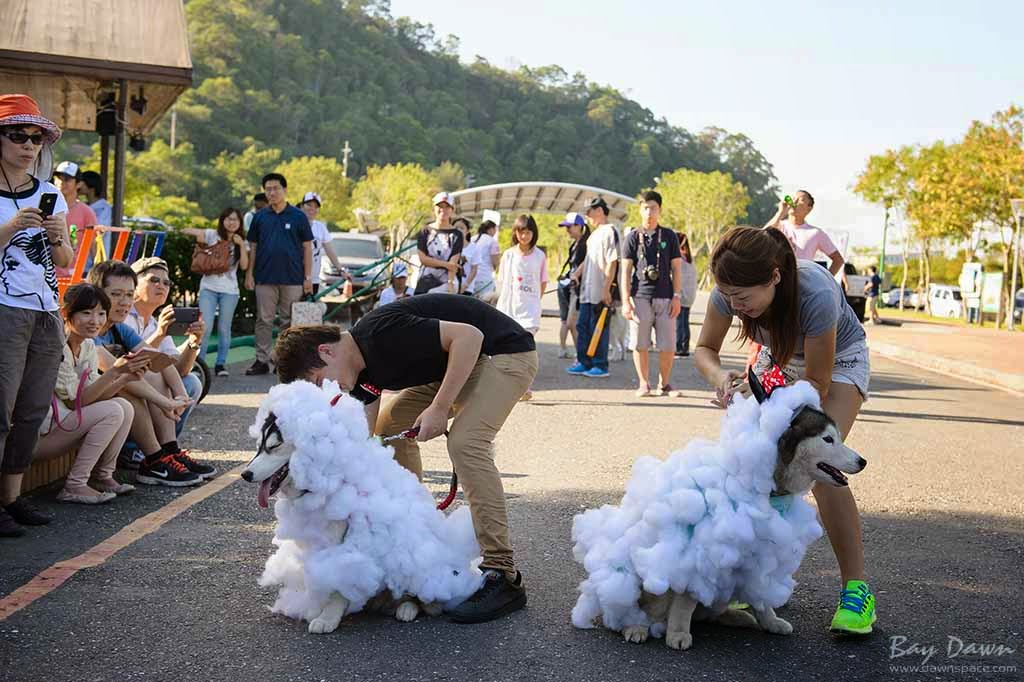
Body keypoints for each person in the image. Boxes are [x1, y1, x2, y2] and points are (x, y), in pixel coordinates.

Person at [273, 294, 538, 624]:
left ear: (327, 352)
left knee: (466, 443)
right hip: (469, 362)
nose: (326, 390)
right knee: (389, 428)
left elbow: (470, 337)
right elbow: (366, 441)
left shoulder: (381, 333)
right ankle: (413, 531)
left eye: (317, 381)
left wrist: (440, 408)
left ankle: (502, 573)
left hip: (504, 353)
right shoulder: (358, 372)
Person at [694, 226, 876, 635]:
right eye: (730, 298)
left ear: (774, 277)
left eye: (744, 297)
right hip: (776, 361)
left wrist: (771, 398)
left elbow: (816, 382)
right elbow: (704, 349)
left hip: (834, 366)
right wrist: (723, 378)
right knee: (758, 468)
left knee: (819, 464)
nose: (736, 306)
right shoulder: (730, 291)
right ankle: (754, 584)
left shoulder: (815, 292)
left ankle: (857, 592)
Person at [0, 94, 75, 537]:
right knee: (0, 408)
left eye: (35, 138)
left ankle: (11, 499)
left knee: (31, 410)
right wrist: (11, 228)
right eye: (17, 135)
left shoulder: (50, 193)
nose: (28, 145)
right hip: (5, 308)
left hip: (46, 309)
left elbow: (64, 258)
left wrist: (56, 235)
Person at [87, 260, 202, 487]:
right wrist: (165, 402)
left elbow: (156, 358)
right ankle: (154, 459)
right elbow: (118, 372)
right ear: (98, 295)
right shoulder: (89, 327)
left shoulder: (118, 327)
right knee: (132, 385)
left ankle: (169, 451)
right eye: (116, 294)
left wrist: (180, 397)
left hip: (107, 391)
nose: (124, 302)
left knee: (154, 371)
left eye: (129, 295)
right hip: (82, 398)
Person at [35, 284, 140, 504]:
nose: (95, 320)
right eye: (86, 313)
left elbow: (95, 396)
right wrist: (114, 372)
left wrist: (125, 377)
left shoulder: (88, 346)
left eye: (101, 313)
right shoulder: (56, 346)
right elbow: (75, 402)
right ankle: (74, 485)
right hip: (41, 437)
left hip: (66, 426)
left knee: (124, 406)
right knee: (113, 410)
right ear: (66, 314)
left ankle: (102, 476)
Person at [125, 257, 208, 441]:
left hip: (149, 390)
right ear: (134, 284)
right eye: (153, 280)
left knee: (191, 382)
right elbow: (128, 363)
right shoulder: (123, 316)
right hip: (126, 388)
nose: (161, 286)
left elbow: (179, 370)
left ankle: (166, 447)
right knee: (158, 378)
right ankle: (136, 450)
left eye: (166, 282)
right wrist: (160, 334)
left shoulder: (156, 322)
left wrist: (194, 342)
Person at [244, 173, 314, 376]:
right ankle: (261, 360)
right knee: (263, 320)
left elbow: (308, 248)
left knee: (287, 321)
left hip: (293, 278)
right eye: (268, 189)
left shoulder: (298, 216)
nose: (272, 192)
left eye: (276, 188)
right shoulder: (260, 217)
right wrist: (250, 274)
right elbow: (253, 248)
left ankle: (282, 360)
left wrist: (307, 278)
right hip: (264, 277)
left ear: (284, 190)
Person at [620, 191, 683, 397]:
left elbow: (677, 268)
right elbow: (626, 271)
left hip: (665, 296)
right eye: (645, 207)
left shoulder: (669, 236)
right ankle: (643, 383)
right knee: (640, 343)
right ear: (640, 209)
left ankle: (664, 384)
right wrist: (626, 301)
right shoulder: (631, 238)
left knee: (668, 345)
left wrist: (677, 296)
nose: (649, 212)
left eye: (653, 208)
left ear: (660, 210)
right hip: (639, 296)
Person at [181, 208, 249, 376]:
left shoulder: (242, 241)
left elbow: (244, 266)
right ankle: (199, 364)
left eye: (235, 219)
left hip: (230, 291)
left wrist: (240, 244)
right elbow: (187, 230)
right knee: (205, 326)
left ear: (240, 223)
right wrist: (199, 238)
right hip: (208, 288)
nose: (231, 222)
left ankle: (220, 364)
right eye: (228, 219)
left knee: (224, 328)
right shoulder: (213, 234)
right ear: (222, 220)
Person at [496, 214, 547, 401]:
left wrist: (535, 301)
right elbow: (502, 281)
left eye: (528, 232)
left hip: (530, 310)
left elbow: (543, 282)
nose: (524, 236)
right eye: (521, 232)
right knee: (509, 349)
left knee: (525, 348)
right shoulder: (509, 255)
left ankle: (525, 386)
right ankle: (512, 386)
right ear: (515, 233)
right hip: (509, 308)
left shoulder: (540, 256)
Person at [568, 196, 620, 379]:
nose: (587, 215)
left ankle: (600, 364)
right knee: (583, 326)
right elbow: (588, 260)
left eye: (589, 211)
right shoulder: (594, 234)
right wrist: (577, 274)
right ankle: (584, 362)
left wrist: (606, 289)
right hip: (586, 292)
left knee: (599, 328)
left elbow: (613, 262)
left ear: (599, 210)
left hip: (600, 291)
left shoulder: (610, 231)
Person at [764, 190, 845, 276]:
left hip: (803, 283)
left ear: (809, 208)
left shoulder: (815, 233)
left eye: (800, 200)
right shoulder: (778, 226)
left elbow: (838, 260)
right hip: (779, 280)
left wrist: (824, 280)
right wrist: (780, 213)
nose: (794, 202)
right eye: (793, 198)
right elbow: (762, 237)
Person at [414, 192, 462, 295]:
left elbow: (453, 264)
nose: (443, 210)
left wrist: (450, 285)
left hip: (445, 283)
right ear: (434, 208)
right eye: (440, 206)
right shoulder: (425, 231)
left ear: (452, 210)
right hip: (425, 280)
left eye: (447, 207)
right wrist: (446, 264)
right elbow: (423, 259)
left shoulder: (457, 234)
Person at [298, 191, 345, 296]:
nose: (312, 209)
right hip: (295, 278)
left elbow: (329, 250)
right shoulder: (294, 225)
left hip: (313, 279)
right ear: (301, 206)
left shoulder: (320, 227)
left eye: (316, 207)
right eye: (309, 205)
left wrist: (340, 270)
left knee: (310, 308)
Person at [556, 212, 588, 358]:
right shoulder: (574, 244)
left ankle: (581, 355)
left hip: (583, 290)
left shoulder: (587, 244)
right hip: (574, 289)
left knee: (572, 323)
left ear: (579, 226)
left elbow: (586, 264)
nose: (567, 230)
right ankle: (580, 354)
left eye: (569, 227)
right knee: (570, 323)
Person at [463, 219, 500, 303]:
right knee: (485, 307)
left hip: (470, 279)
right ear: (490, 229)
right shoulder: (492, 241)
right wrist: (496, 268)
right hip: (485, 280)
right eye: (495, 229)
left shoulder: (472, 239)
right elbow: (495, 262)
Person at [675, 232, 697, 357]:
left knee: (679, 322)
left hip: (682, 294)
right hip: (689, 295)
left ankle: (679, 347)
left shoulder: (679, 258)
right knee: (684, 321)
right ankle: (685, 347)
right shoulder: (689, 258)